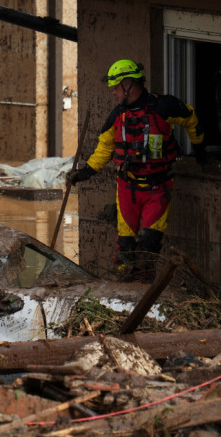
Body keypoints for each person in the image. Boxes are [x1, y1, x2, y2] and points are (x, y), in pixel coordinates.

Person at [67, 59, 208, 281]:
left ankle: (144, 291)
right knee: (125, 251)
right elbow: (104, 148)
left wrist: (199, 148)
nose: (113, 93)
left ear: (128, 85)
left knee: (148, 246)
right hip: (127, 189)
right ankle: (123, 290)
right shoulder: (116, 116)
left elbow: (191, 119)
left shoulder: (164, 106)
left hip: (158, 188)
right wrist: (85, 172)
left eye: (115, 87)